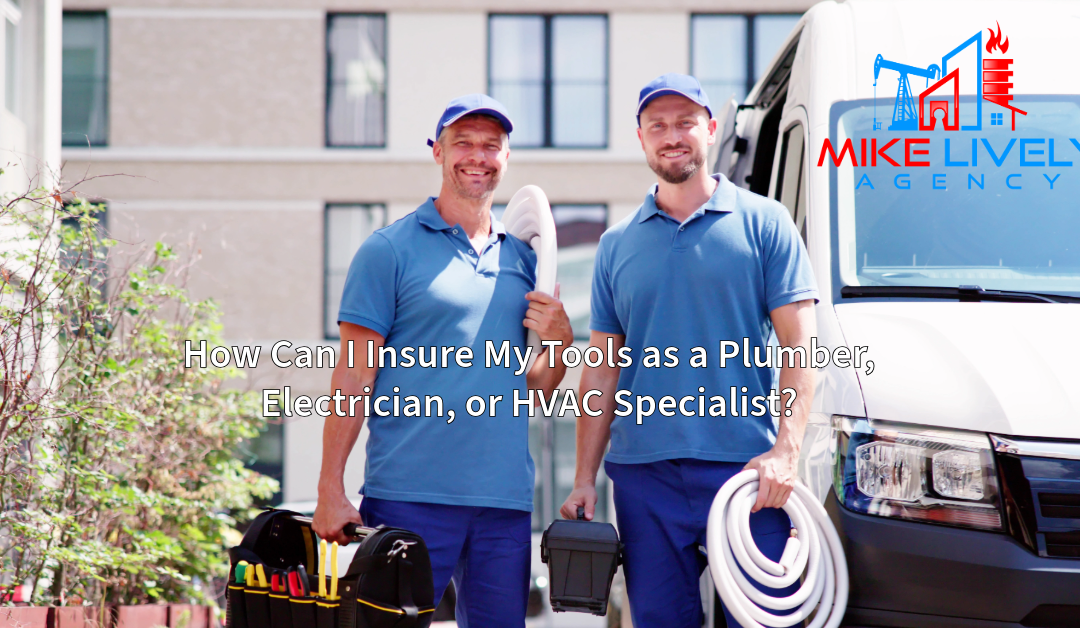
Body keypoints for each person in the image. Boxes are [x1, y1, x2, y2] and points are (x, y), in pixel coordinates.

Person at [560, 74, 818, 627]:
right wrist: (585, 477)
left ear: (711, 130)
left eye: (685, 123)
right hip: (643, 477)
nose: (672, 135)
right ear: (641, 138)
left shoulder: (765, 223)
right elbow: (601, 370)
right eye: (658, 125)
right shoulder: (616, 244)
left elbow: (802, 344)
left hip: (747, 473)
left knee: (760, 621)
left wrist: (786, 452)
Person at [313, 94, 574, 627]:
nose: (477, 156)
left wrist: (562, 342)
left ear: (506, 157)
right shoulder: (388, 251)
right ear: (437, 151)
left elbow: (539, 390)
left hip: (502, 501)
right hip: (407, 496)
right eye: (463, 143)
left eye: (491, 146)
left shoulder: (527, 260)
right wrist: (329, 489)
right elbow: (353, 376)